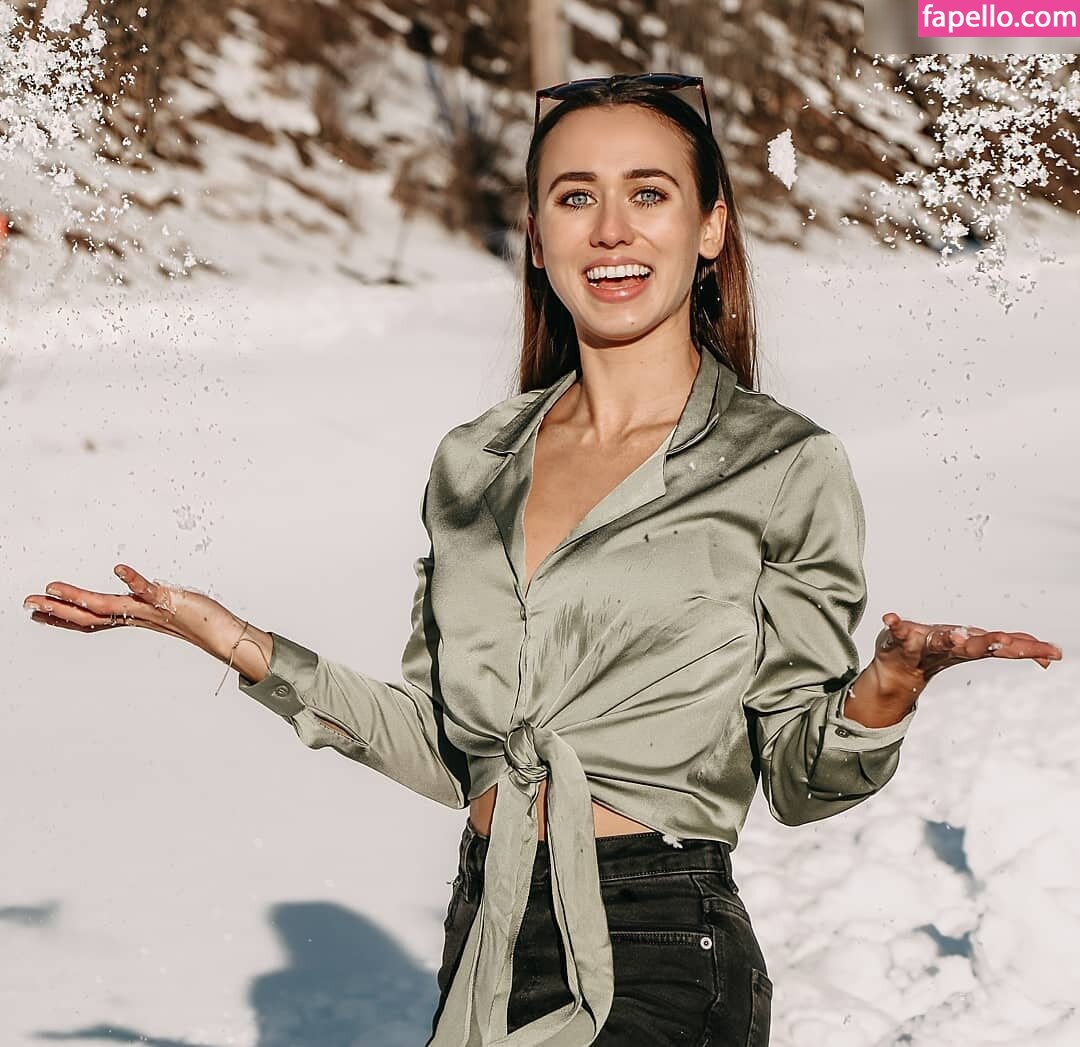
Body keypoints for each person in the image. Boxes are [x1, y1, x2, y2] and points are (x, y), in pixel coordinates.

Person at [22, 74, 1063, 1047]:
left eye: (648, 193)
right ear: (535, 235)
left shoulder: (782, 463)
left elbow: (799, 778)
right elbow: (448, 749)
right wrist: (240, 643)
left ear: (711, 228)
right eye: (574, 197)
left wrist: (889, 685)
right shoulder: (473, 461)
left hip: (661, 942)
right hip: (485, 932)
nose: (610, 229)